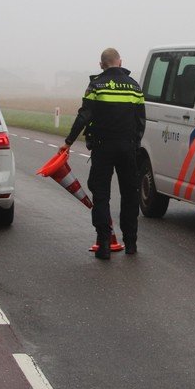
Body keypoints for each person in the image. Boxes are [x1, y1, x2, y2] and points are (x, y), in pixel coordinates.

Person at [58, 48, 146, 259]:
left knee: (101, 195)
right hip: (127, 148)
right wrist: (134, 145)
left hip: (102, 147)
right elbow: (140, 121)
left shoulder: (95, 85)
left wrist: (68, 142)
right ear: (120, 62)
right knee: (130, 194)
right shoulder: (134, 87)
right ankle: (131, 243)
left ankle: (104, 243)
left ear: (101, 65)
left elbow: (84, 116)